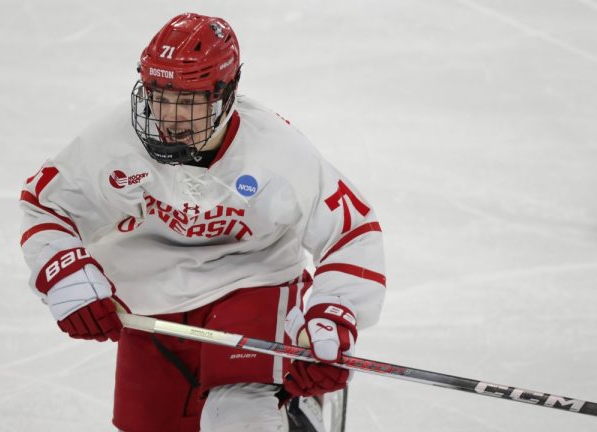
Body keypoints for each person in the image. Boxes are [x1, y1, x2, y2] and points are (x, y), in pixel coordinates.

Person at [19, 12, 385, 432]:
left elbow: (352, 230)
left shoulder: (277, 151)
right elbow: (45, 204)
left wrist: (335, 310)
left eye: (189, 101)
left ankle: (295, 414)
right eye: (159, 96)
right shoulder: (112, 140)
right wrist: (67, 272)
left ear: (227, 93)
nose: (170, 117)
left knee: (238, 421)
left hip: (251, 284)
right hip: (150, 299)